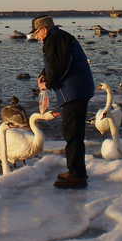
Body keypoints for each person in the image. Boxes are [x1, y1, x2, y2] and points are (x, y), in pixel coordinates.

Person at [29, 15, 95, 189]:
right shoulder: (60, 38)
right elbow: (55, 63)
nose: (36, 37)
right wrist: (43, 75)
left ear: (44, 29)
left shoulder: (54, 40)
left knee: (72, 133)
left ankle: (77, 176)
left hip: (74, 91)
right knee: (74, 133)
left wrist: (48, 82)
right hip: (78, 90)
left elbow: (59, 66)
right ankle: (76, 171)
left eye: (36, 33)